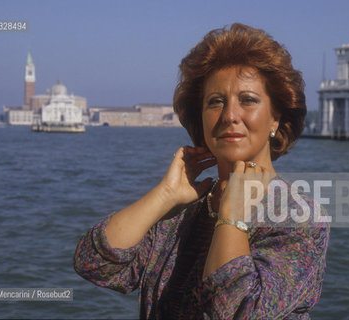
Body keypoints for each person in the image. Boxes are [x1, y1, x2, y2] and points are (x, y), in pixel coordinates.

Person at [74, 23, 329, 319]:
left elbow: (235, 312)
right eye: (216, 102)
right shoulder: (182, 212)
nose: (230, 116)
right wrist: (165, 195)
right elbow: (94, 264)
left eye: (247, 100)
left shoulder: (300, 218)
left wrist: (232, 217)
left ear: (275, 118)